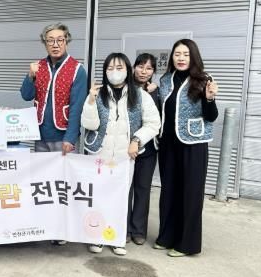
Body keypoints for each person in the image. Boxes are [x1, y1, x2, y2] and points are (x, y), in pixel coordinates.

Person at [81, 53, 160, 256]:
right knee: (99, 195)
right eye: (110, 68)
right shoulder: (98, 93)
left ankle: (117, 238)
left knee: (120, 196)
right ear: (105, 71)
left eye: (119, 68)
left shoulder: (140, 95)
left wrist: (137, 140)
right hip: (100, 153)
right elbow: (90, 124)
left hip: (125, 156)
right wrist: (91, 100)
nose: (115, 72)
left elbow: (153, 123)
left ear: (127, 70)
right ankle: (97, 237)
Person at [20, 23, 87, 246]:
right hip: (41, 134)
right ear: (45, 43)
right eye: (50, 40)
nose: (55, 44)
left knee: (62, 184)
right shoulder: (38, 67)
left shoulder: (77, 69)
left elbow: (77, 106)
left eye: (60, 39)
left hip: (62, 135)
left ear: (67, 41)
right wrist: (30, 76)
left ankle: (62, 229)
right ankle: (45, 225)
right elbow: (26, 95)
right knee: (43, 182)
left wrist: (70, 138)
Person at [155, 39, 218, 257]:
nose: (181, 58)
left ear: (193, 57)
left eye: (186, 54)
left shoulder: (204, 80)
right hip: (168, 144)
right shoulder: (165, 80)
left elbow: (212, 116)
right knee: (169, 190)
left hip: (193, 144)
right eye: (177, 54)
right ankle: (166, 237)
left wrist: (209, 99)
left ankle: (186, 244)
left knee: (190, 192)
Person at [128, 53, 160, 246]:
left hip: (148, 149)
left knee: (142, 188)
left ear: (153, 71)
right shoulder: (124, 87)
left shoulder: (157, 91)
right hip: (125, 147)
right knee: (125, 188)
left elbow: (158, 119)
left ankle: (138, 230)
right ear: (133, 68)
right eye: (140, 66)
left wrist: (152, 94)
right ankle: (123, 228)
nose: (143, 71)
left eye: (149, 68)